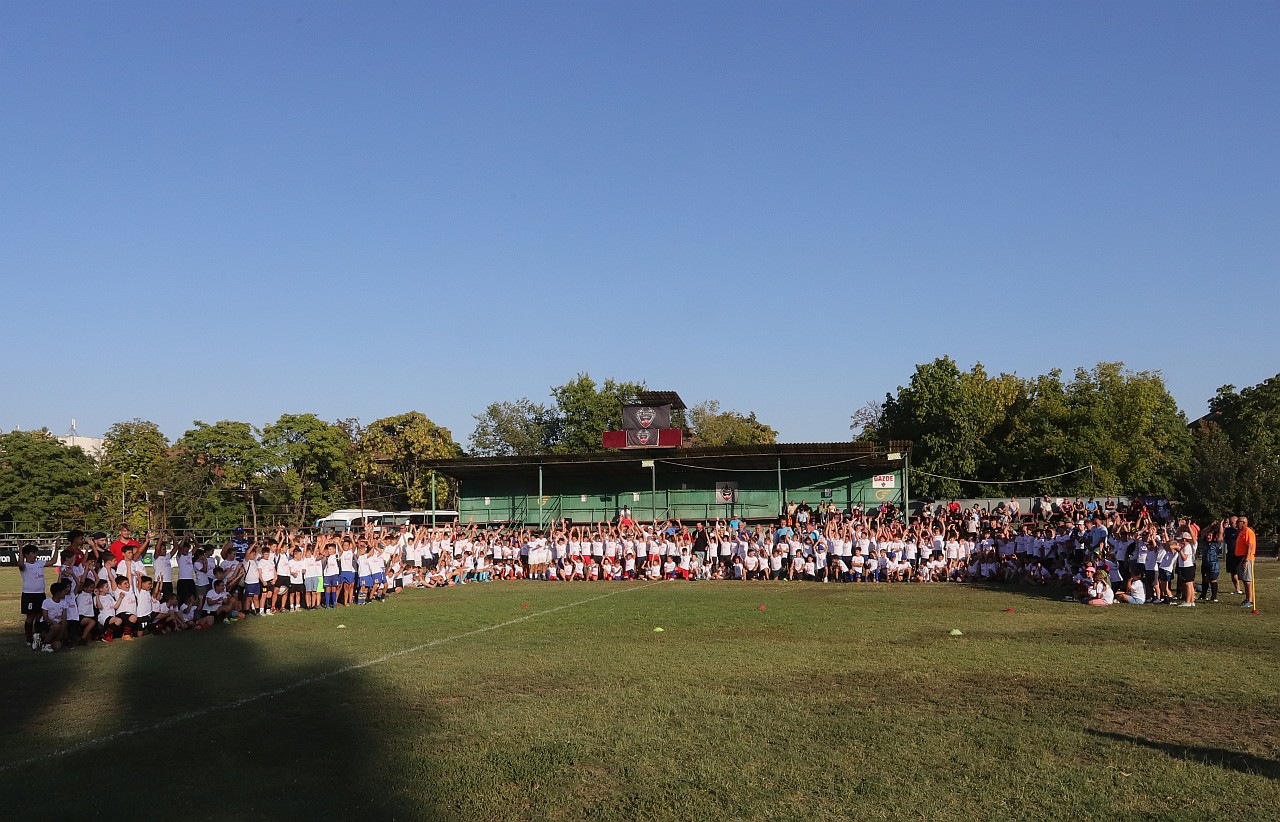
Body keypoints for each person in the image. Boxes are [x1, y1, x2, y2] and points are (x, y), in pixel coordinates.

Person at [19, 544, 57, 648]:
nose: (36, 555)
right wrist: (20, 550)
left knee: (40, 616)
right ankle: (29, 638)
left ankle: (38, 637)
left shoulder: (39, 563)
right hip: (29, 594)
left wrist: (57, 548)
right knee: (30, 616)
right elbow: (20, 564)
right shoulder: (25, 565)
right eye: (33, 553)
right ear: (26, 554)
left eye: (36, 553)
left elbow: (53, 561)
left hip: (40, 593)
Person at [1235, 516, 1257, 609]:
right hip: (1241, 558)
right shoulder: (1241, 532)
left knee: (1248, 580)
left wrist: (1246, 560)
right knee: (1244, 579)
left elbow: (1250, 546)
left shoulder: (1248, 531)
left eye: (1238, 522)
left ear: (1243, 522)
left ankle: (1250, 600)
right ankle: (1247, 598)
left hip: (1246, 558)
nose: (1237, 524)